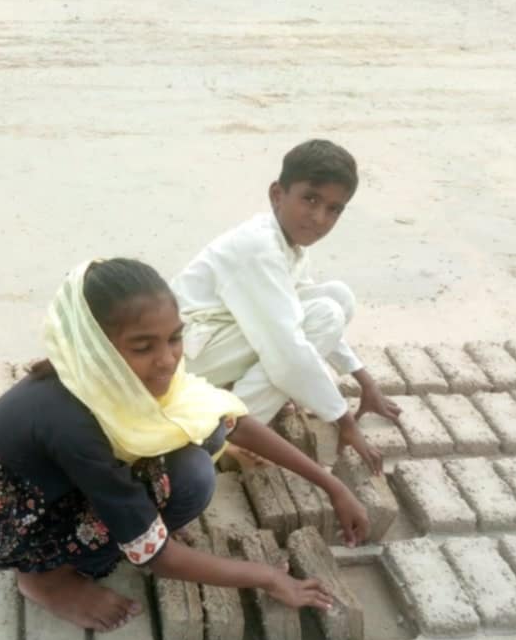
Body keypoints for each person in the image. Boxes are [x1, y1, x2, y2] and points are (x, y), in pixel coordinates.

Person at [0, 258, 369, 633]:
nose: (167, 360)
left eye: (175, 338)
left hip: (67, 475)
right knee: (189, 481)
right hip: (26, 516)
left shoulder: (114, 375)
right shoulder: (73, 421)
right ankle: (45, 580)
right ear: (95, 347)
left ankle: (135, 524)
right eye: (144, 347)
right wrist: (267, 577)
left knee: (203, 440)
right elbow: (157, 558)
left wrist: (333, 486)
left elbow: (230, 422)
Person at [171, 139, 400, 474]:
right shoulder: (258, 248)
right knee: (301, 338)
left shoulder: (287, 244)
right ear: (277, 194)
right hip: (183, 358)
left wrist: (365, 381)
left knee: (337, 297)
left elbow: (306, 318)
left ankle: (238, 401)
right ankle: (228, 429)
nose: (320, 218)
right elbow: (290, 351)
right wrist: (344, 420)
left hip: (211, 343)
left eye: (334, 209)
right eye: (310, 199)